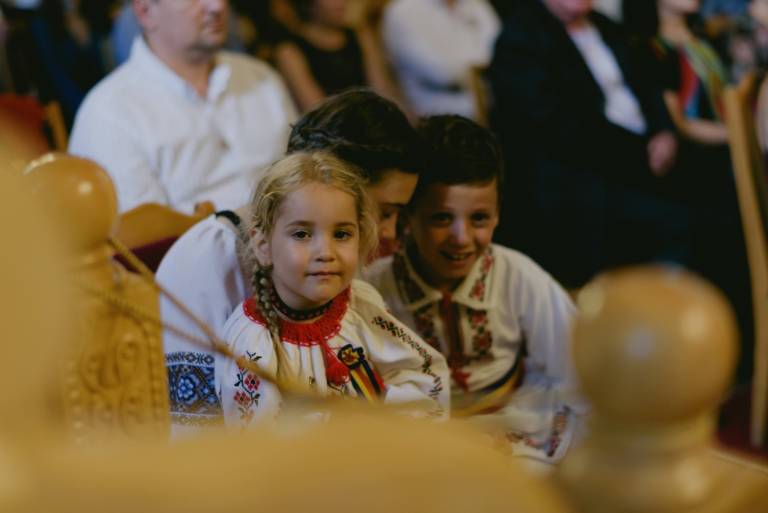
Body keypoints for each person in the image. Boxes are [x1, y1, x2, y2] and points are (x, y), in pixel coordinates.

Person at [160, 89, 424, 433]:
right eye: (384, 212)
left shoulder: (330, 265)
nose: (388, 231)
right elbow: (193, 422)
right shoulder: (209, 258)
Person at [364, 115, 585, 463]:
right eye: (440, 218)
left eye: (479, 219)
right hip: (415, 439)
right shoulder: (372, 290)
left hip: (514, 428)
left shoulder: (517, 275)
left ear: (498, 215)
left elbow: (577, 365)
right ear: (408, 217)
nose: (462, 239)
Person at [216, 151, 448, 427]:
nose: (326, 252)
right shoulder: (253, 343)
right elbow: (258, 442)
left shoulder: (360, 304)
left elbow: (421, 374)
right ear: (262, 244)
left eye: (341, 234)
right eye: (301, 234)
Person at [488, 0, 688, 291]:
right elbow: (558, 129)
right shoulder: (521, 38)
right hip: (578, 180)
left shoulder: (605, 26)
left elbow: (648, 85)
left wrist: (664, 132)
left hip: (639, 156)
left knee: (720, 189)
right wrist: (640, 152)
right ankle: (653, 319)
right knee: (680, 220)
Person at [69, 0, 297, 214]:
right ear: (145, 11)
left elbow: (303, 178)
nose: (217, 6)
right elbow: (146, 243)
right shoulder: (109, 114)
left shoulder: (261, 77)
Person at [381, 0, 500, 120]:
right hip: (435, 123)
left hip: (491, 109)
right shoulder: (403, 11)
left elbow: (500, 48)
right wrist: (479, 67)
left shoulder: (475, 4)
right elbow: (443, 72)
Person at [273, 0, 399, 112]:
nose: (341, 2)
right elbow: (318, 112)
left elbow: (382, 92)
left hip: (374, 121)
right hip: (331, 132)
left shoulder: (361, 36)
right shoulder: (289, 51)